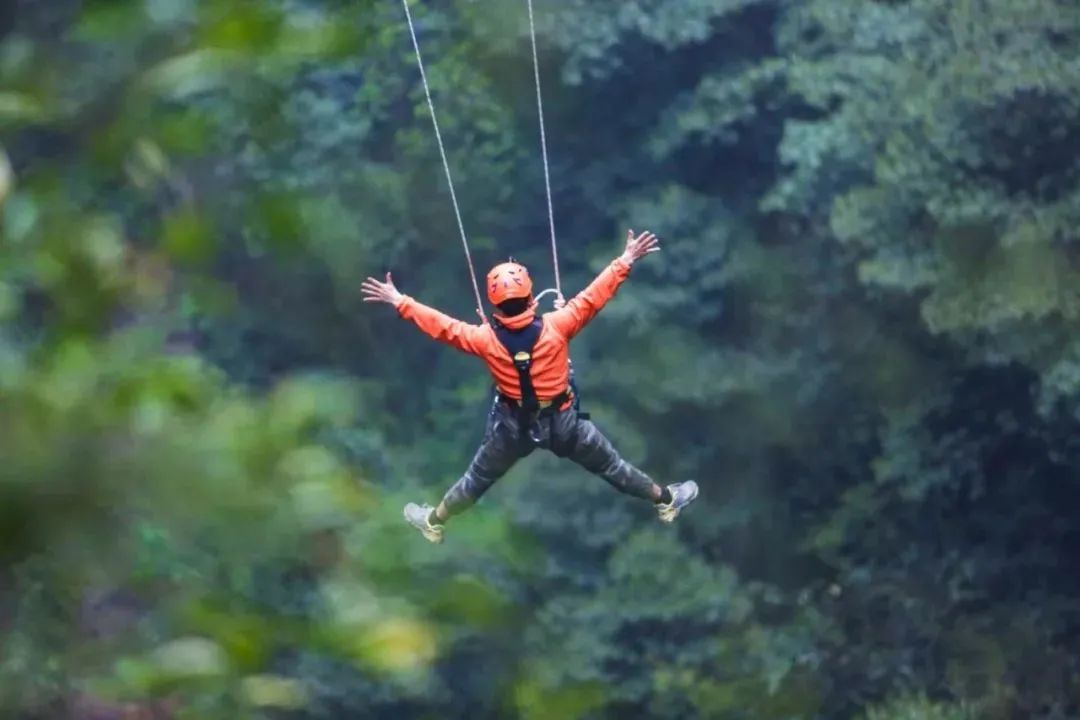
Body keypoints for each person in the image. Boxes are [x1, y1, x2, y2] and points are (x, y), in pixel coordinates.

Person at [361, 230, 699, 544]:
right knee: (613, 467)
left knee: (476, 479)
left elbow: (442, 327)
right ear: (531, 299)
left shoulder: (484, 339)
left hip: (513, 427)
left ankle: (434, 521)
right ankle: (666, 501)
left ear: (494, 306)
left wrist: (400, 300)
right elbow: (595, 296)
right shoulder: (558, 326)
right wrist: (626, 259)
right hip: (565, 422)